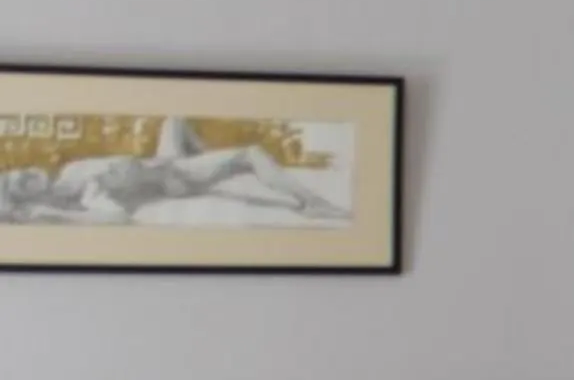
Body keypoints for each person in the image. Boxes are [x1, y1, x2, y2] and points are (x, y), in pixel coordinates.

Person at [0, 117, 349, 225]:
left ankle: (214, 159)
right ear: (33, 195)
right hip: (176, 176)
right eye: (23, 182)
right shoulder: (86, 194)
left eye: (23, 170)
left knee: (175, 118)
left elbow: (124, 163)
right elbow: (118, 218)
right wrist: (49, 213)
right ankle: (311, 202)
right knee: (251, 154)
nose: (29, 171)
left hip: (161, 159)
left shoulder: (73, 169)